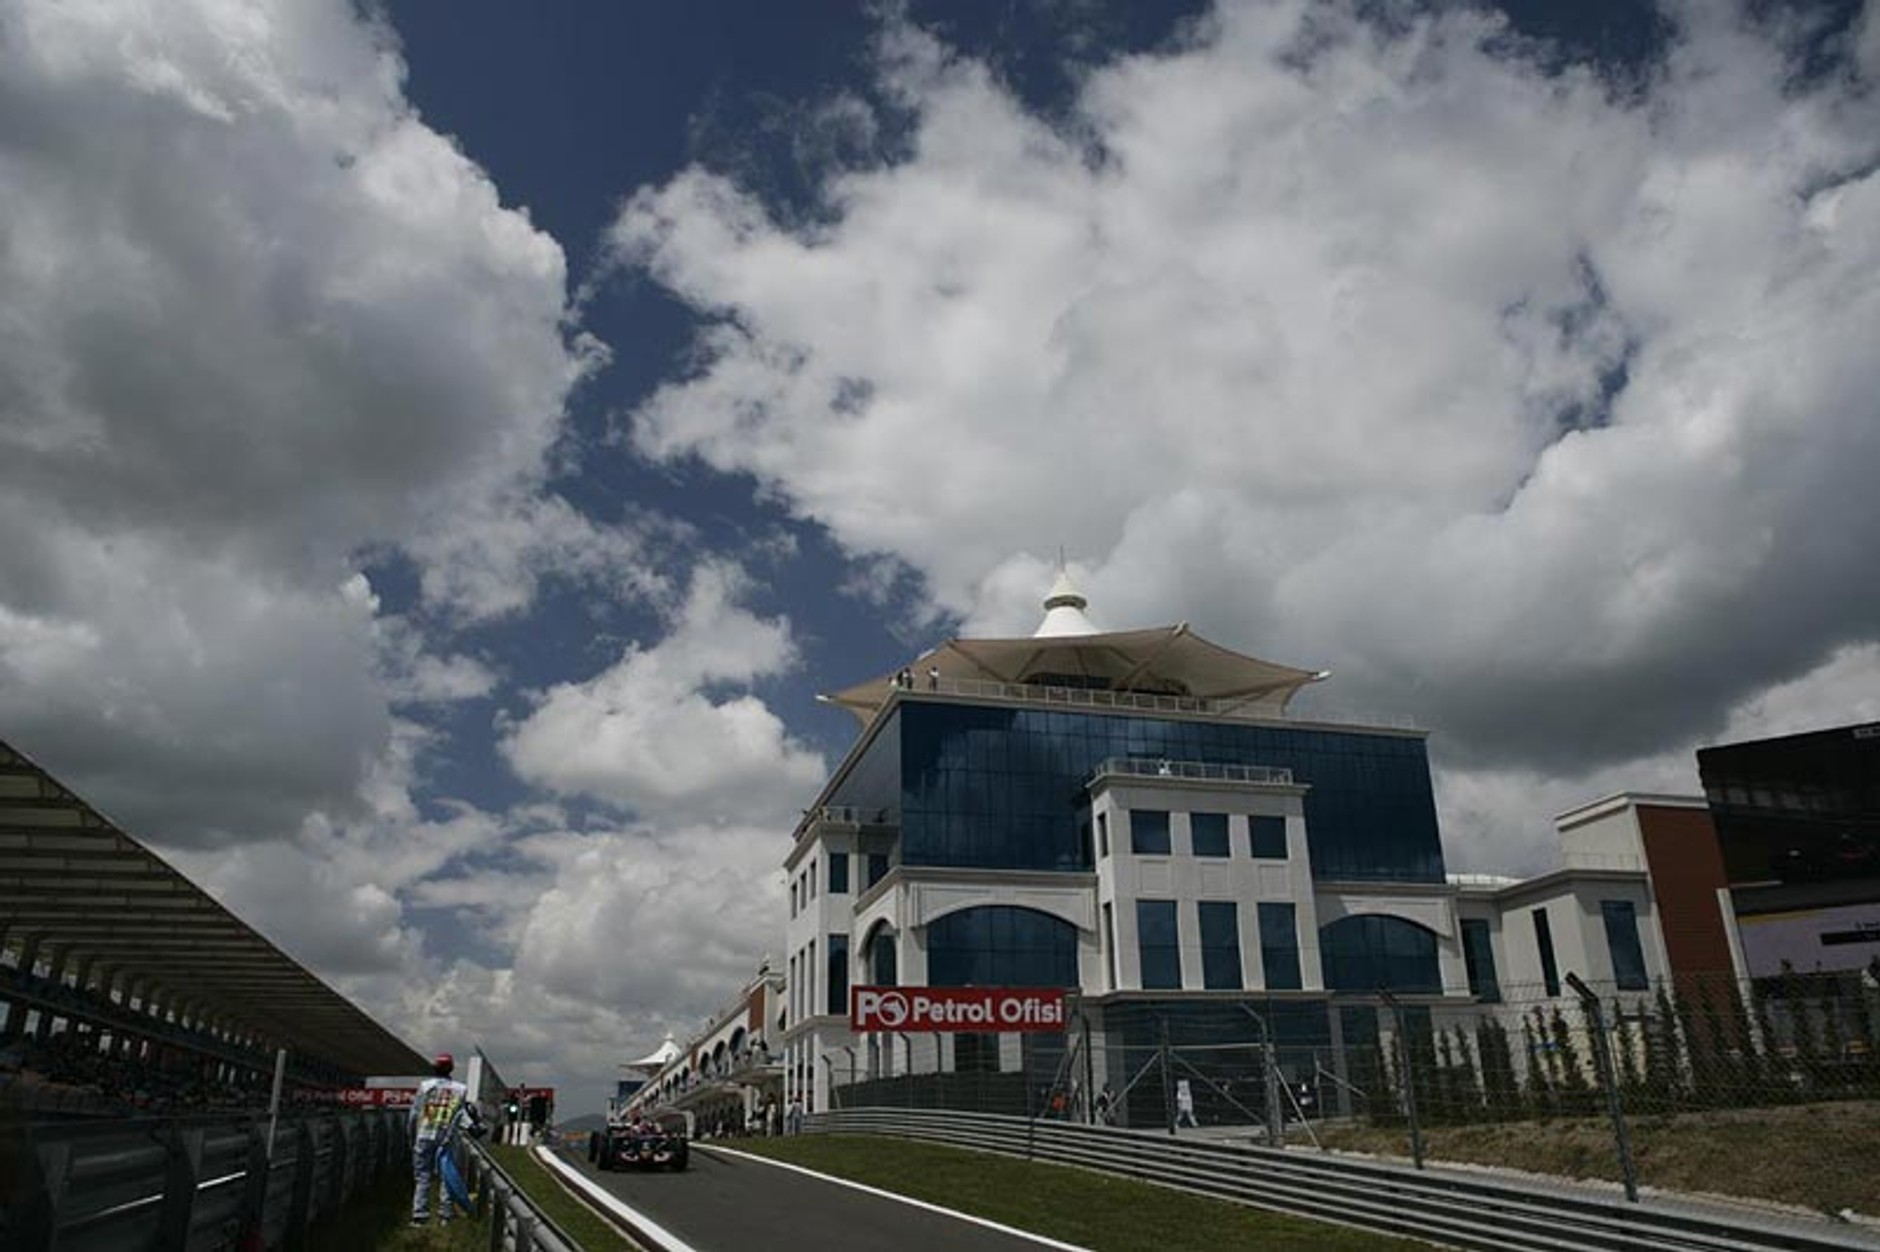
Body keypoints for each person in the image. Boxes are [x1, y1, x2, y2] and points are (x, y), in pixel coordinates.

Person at [409, 1053, 479, 1227]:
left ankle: (420, 1215)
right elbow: (461, 1115)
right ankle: (445, 1215)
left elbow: (414, 1114)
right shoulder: (460, 1089)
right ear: (451, 1069)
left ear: (434, 1068)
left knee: (422, 1176)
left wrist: (411, 1136)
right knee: (447, 1176)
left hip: (424, 1134)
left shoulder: (425, 1086)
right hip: (447, 1137)